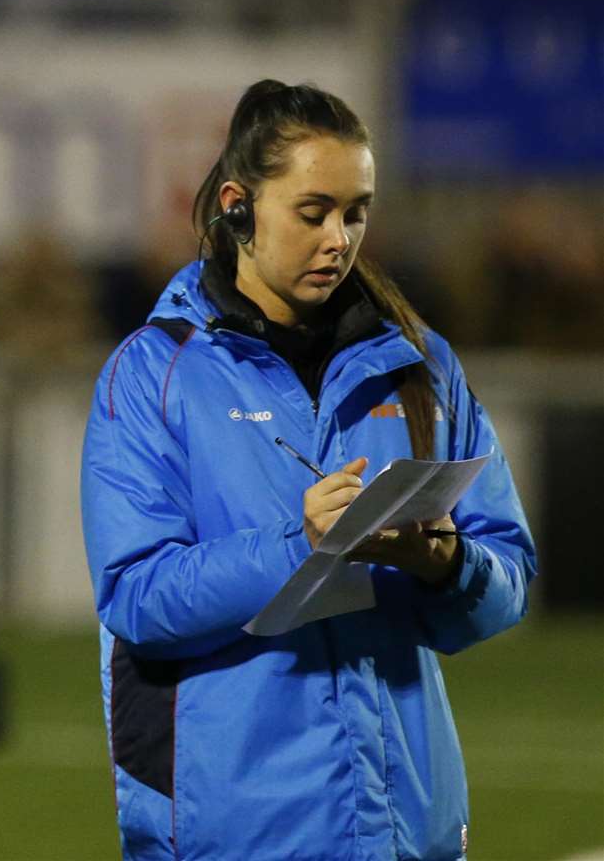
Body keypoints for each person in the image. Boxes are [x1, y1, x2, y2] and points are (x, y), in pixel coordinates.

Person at [80, 80, 536, 860]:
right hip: (235, 830)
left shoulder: (419, 365)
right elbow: (137, 597)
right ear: (237, 205)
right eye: (313, 210)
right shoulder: (153, 372)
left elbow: (507, 580)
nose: (339, 238)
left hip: (406, 827)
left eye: (356, 211)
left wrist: (445, 564)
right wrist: (302, 545)